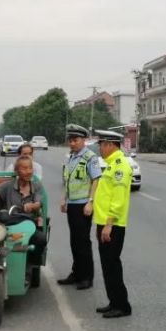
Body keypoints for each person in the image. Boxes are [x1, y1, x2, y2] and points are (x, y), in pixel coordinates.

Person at [92, 129, 133, 318]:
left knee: (112, 265)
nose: (100, 148)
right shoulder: (110, 164)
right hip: (104, 222)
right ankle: (113, 301)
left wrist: (109, 224)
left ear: (110, 144)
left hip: (113, 225)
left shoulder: (119, 166)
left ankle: (122, 306)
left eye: (101, 144)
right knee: (107, 266)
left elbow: (118, 200)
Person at [58, 124, 101, 290]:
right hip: (72, 204)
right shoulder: (71, 157)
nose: (72, 143)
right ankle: (76, 273)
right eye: (70, 140)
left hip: (84, 204)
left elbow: (96, 180)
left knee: (83, 242)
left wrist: (91, 201)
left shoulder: (90, 157)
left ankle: (86, 277)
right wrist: (64, 199)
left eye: (75, 140)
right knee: (74, 241)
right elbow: (69, 181)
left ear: (84, 140)